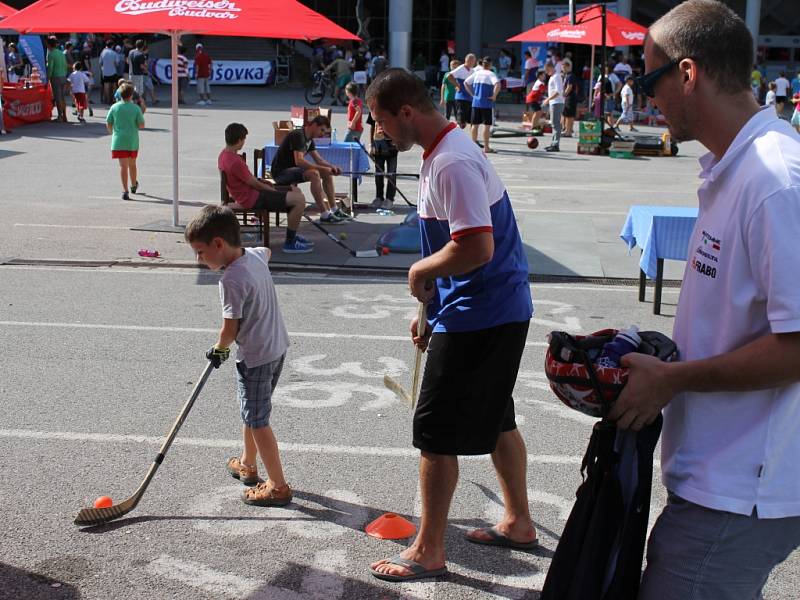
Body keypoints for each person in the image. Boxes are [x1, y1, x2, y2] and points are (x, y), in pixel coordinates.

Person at [607, 2, 800, 599]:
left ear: (687, 74)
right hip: (720, 474)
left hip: (743, 487)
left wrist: (674, 380)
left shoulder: (775, 179)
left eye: (647, 79)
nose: (644, 98)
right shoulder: (735, 166)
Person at [365, 68, 536, 583]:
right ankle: (519, 522)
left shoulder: (454, 162)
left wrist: (420, 271)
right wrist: (431, 307)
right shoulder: (443, 153)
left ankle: (428, 550)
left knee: (435, 434)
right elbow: (454, 244)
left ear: (406, 113)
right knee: (497, 418)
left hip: (482, 315)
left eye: (380, 122)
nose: (380, 134)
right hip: (482, 310)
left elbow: (476, 247)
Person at [184, 205, 293, 508]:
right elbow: (266, 251)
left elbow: (230, 329)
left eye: (201, 252)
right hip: (276, 348)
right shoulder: (254, 255)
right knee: (252, 411)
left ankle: (278, 486)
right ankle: (248, 462)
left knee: (258, 421)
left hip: (256, 356)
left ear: (218, 244)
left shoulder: (230, 280)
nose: (199, 259)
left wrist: (218, 350)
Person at [218, 123, 312, 254]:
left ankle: (292, 235)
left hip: (252, 193)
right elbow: (254, 184)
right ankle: (290, 242)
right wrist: (271, 190)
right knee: (299, 200)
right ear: (239, 140)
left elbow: (248, 179)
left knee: (295, 191)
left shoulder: (223, 155)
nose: (244, 142)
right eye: (244, 139)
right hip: (252, 198)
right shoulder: (235, 161)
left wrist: (262, 181)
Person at [269, 114, 351, 223]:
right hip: (281, 172)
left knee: (326, 173)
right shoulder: (298, 135)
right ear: (314, 125)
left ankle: (334, 209)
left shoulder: (309, 140)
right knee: (314, 174)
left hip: (293, 170)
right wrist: (322, 169)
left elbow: (319, 160)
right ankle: (324, 215)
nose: (322, 134)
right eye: (321, 130)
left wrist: (332, 167)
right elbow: (299, 161)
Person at [106, 83, 144, 201]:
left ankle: (125, 190)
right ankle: (133, 185)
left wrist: (112, 132)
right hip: (132, 140)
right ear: (131, 95)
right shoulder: (135, 108)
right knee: (132, 164)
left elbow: (108, 122)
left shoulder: (114, 107)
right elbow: (141, 125)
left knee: (123, 166)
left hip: (118, 140)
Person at [464, 56, 501, 154]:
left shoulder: (477, 73)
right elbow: (498, 84)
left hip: (475, 103)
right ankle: (486, 147)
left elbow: (465, 83)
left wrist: (472, 94)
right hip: (486, 104)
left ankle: (473, 147)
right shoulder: (491, 74)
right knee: (486, 126)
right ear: (490, 65)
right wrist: (494, 95)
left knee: (475, 125)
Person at [366, 109, 398, 210]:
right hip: (378, 144)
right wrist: (371, 144)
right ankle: (379, 197)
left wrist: (398, 141)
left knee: (391, 174)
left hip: (392, 145)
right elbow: (372, 126)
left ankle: (389, 199)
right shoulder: (374, 109)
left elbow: (400, 126)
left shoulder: (395, 109)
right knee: (378, 173)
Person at [447, 53, 477, 130]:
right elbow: (449, 76)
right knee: (461, 120)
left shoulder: (472, 70)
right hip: (461, 97)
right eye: (473, 61)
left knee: (469, 120)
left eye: (474, 61)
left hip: (470, 97)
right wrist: (457, 85)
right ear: (468, 61)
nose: (474, 63)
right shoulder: (461, 68)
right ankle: (457, 136)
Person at [46, 36, 69, 122]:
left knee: (58, 98)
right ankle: (64, 116)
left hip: (55, 77)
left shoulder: (51, 54)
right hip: (63, 76)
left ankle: (60, 116)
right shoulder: (61, 53)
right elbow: (65, 65)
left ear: (48, 44)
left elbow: (50, 68)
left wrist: (48, 78)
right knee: (62, 98)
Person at [542, 61, 564, 152]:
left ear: (551, 67)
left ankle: (555, 144)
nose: (547, 72)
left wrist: (548, 99)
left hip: (556, 102)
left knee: (555, 124)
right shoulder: (553, 77)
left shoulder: (556, 76)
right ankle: (553, 143)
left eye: (547, 70)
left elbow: (558, 91)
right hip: (554, 102)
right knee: (554, 123)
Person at [99, 40, 120, 105]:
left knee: (106, 86)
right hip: (113, 72)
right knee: (114, 86)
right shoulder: (114, 53)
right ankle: (114, 99)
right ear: (112, 46)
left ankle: (107, 100)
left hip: (105, 72)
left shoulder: (102, 52)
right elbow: (117, 64)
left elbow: (100, 63)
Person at [561, 61, 578, 137]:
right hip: (570, 97)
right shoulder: (567, 76)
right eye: (562, 67)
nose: (563, 69)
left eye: (564, 67)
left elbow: (569, 87)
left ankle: (568, 131)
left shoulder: (570, 76)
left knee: (569, 116)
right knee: (568, 115)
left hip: (570, 97)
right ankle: (568, 130)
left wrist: (564, 95)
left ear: (568, 67)